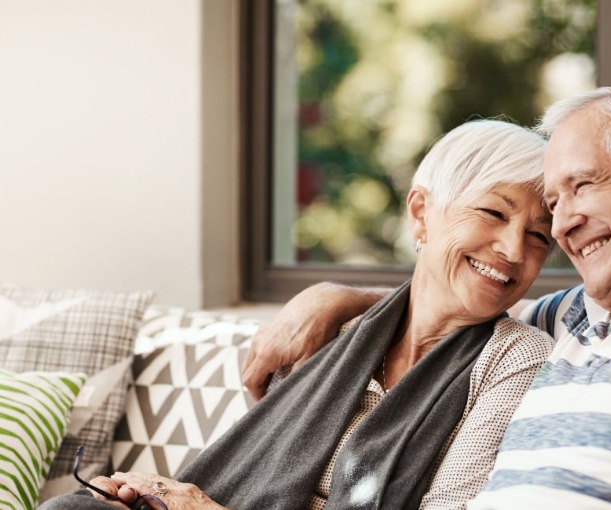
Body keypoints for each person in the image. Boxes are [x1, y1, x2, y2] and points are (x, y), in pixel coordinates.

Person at [241, 83, 611, 509]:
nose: (561, 227)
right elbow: (454, 296)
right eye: (555, 204)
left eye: (582, 186)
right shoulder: (574, 318)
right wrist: (334, 296)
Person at [41, 119, 557, 510]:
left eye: (539, 236)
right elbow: (250, 477)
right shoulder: (332, 332)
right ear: (421, 212)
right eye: (493, 212)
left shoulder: (516, 359)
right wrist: (150, 493)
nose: (513, 249)